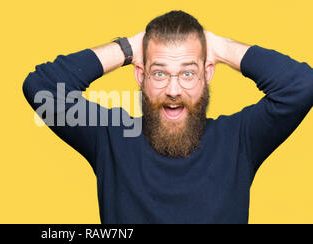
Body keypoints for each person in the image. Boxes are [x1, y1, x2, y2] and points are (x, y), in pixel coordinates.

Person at [22, 10, 313, 224]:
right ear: (141, 75)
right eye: (159, 73)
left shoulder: (240, 139)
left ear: (207, 74)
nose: (173, 90)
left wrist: (219, 47)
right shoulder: (109, 136)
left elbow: (302, 86)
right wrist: (128, 48)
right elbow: (41, 88)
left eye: (188, 73)